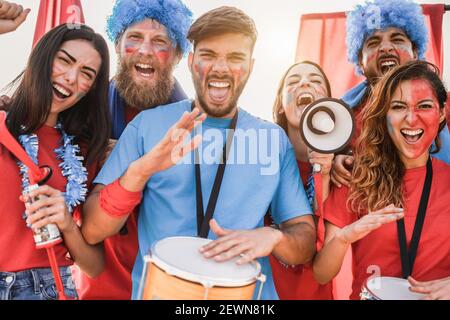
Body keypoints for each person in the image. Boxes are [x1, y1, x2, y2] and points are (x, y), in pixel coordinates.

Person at [82, 6, 316, 300]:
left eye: (235, 58)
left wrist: (275, 237)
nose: (220, 68)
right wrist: (140, 171)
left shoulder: (273, 139)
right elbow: (91, 230)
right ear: (192, 62)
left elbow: (304, 243)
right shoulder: (146, 125)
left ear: (251, 66)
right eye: (208, 55)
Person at [72, 0, 193, 300]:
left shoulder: (194, 125)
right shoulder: (84, 107)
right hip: (99, 282)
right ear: (117, 45)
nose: (145, 50)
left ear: (177, 54)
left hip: (170, 283)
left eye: (160, 41)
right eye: (134, 38)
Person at [313, 61, 450, 300]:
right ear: (384, 116)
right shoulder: (354, 177)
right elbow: (322, 274)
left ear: (440, 114)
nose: (411, 118)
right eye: (398, 107)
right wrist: (345, 236)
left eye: (424, 106)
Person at [0, 23, 111, 300]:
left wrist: (67, 223)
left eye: (86, 73)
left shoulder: (85, 151)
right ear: (43, 57)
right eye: (65, 60)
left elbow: (95, 267)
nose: (71, 77)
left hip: (45, 288)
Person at [331, 0, 450, 188]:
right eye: (373, 42)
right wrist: (335, 162)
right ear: (360, 61)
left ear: (415, 52)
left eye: (397, 39)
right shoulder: (340, 115)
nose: (385, 48)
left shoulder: (445, 103)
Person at [270, 61, 334, 299]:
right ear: (280, 106)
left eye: (316, 81)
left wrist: (325, 174)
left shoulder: (344, 168)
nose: (305, 83)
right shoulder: (259, 159)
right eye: (293, 82)